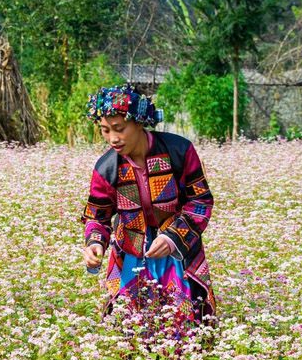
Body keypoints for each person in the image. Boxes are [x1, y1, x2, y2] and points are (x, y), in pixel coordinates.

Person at [80, 85, 216, 336]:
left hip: (178, 251)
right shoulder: (106, 168)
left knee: (186, 324)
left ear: (140, 123)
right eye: (105, 130)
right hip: (132, 251)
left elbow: (200, 202)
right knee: (133, 326)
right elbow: (97, 217)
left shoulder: (179, 151)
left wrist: (172, 237)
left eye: (120, 129)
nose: (113, 138)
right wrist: (95, 243)